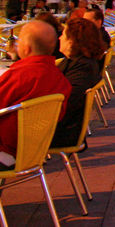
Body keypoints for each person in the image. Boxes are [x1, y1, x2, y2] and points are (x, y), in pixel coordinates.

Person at [0, 21, 72, 169]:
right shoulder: (59, 79)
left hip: (6, 152)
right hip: (34, 151)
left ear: (26, 48)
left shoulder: (19, 76)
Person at [51, 17, 104, 148]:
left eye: (63, 34)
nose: (59, 38)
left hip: (61, 131)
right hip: (61, 125)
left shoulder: (82, 67)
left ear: (72, 40)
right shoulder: (77, 62)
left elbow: (68, 100)